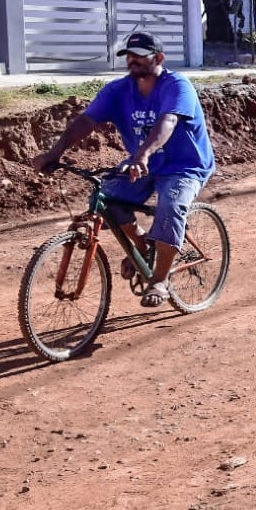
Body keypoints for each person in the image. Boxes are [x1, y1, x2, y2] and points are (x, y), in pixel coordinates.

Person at [31, 31, 216, 307]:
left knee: (171, 206)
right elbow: (86, 121)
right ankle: (142, 244)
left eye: (140, 56)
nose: (133, 61)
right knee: (105, 198)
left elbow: (167, 122)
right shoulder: (118, 91)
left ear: (159, 58)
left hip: (184, 165)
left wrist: (142, 154)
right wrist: (55, 153)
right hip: (143, 164)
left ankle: (160, 280)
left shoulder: (177, 86)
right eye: (129, 56)